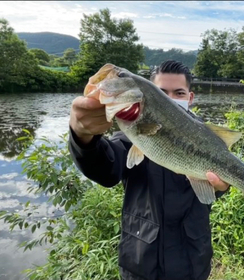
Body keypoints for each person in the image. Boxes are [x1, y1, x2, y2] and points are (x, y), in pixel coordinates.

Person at [68, 60, 229, 280]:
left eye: (179, 93)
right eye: (162, 93)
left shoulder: (206, 139)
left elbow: (212, 189)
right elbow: (106, 169)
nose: (170, 99)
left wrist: (222, 186)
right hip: (141, 264)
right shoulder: (132, 135)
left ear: (190, 98)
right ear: (150, 95)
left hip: (193, 263)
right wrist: (83, 137)